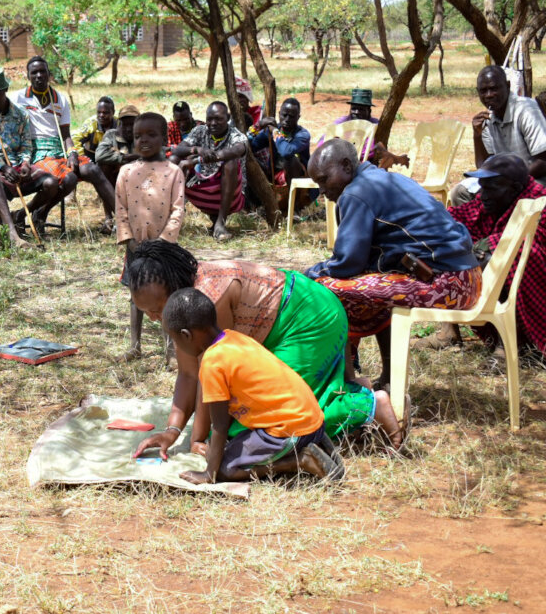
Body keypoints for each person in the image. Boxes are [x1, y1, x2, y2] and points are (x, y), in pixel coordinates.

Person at [127, 240, 403, 452]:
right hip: (296, 316)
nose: (155, 318)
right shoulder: (185, 302)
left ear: (175, 286)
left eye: (157, 309)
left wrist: (201, 438)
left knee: (271, 427)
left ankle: (367, 405)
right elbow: (187, 373)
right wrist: (172, 431)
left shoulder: (209, 298)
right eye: (147, 313)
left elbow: (207, 375)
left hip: (310, 319)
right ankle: (351, 389)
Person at [305, 140, 481, 391]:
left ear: (346, 166)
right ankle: (388, 378)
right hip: (466, 278)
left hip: (446, 284)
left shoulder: (357, 192)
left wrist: (310, 273)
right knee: (375, 283)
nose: (321, 190)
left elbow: (347, 263)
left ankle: (346, 388)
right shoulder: (382, 179)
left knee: (327, 289)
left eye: (323, 179)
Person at [157, 288, 344, 483]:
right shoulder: (235, 338)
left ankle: (300, 460)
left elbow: (219, 425)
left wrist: (209, 474)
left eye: (175, 339)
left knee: (225, 470)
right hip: (312, 420)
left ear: (186, 335)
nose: (177, 346)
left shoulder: (212, 363)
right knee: (223, 449)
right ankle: (314, 446)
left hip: (289, 429)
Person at [421, 155, 546, 352]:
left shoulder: (539, 201)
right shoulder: (491, 199)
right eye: (482, 187)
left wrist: (490, 244)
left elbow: (534, 239)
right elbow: (462, 214)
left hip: (536, 291)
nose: (483, 195)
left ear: (514, 188)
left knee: (508, 256)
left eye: (491, 188)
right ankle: (449, 333)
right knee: (449, 245)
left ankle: (512, 342)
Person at [13, 55, 116, 232]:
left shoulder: (59, 98)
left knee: (92, 169)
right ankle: (31, 214)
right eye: (34, 73)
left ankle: (124, 220)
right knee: (70, 178)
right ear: (28, 76)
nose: (39, 76)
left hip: (60, 149)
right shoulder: (18, 99)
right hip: (37, 151)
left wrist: (72, 153)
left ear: (49, 74)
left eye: (42, 72)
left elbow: (66, 134)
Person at [115, 114, 185, 362]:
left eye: (151, 135)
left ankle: (170, 347)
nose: (143, 140)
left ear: (165, 138)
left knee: (166, 295)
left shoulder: (173, 171)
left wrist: (164, 240)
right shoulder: (125, 172)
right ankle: (135, 345)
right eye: (137, 136)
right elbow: (120, 208)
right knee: (136, 295)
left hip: (164, 249)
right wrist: (128, 239)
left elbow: (178, 209)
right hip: (135, 247)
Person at [0, 67, 59, 244]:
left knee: (51, 183)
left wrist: (25, 164)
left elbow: (26, 144)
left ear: (5, 90)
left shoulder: (20, 114)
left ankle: (22, 214)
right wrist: (3, 166)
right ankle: (12, 233)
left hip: (18, 165)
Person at [451, 66, 546, 205]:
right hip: (503, 183)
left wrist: (509, 182)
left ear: (507, 86)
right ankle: (481, 227)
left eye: (494, 89)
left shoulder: (525, 110)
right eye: (483, 91)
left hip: (536, 179)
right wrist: (477, 136)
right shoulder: (488, 118)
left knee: (500, 196)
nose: (489, 95)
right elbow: (484, 168)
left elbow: (543, 162)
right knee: (459, 193)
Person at [171, 101, 246, 241]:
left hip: (232, 194)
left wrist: (196, 160)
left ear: (228, 117)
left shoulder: (236, 135)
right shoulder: (200, 130)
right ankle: (170, 217)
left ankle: (221, 222)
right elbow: (178, 149)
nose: (213, 123)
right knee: (175, 159)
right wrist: (196, 149)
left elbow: (236, 151)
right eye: (209, 119)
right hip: (203, 189)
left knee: (231, 162)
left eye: (218, 119)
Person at [249, 97, 311, 187]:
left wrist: (275, 132)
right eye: (284, 115)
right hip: (273, 175)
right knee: (248, 157)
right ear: (279, 114)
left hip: (297, 178)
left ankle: (293, 197)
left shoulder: (303, 135)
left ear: (298, 117)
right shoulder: (270, 130)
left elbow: (286, 152)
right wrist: (258, 126)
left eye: (291, 116)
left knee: (290, 159)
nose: (287, 119)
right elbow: (250, 146)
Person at [95, 104, 140, 185]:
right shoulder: (111, 134)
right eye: (125, 124)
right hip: (117, 180)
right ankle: (111, 196)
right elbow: (99, 155)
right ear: (120, 124)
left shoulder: (144, 136)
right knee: (103, 164)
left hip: (140, 178)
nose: (129, 129)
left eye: (132, 124)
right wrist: (125, 157)